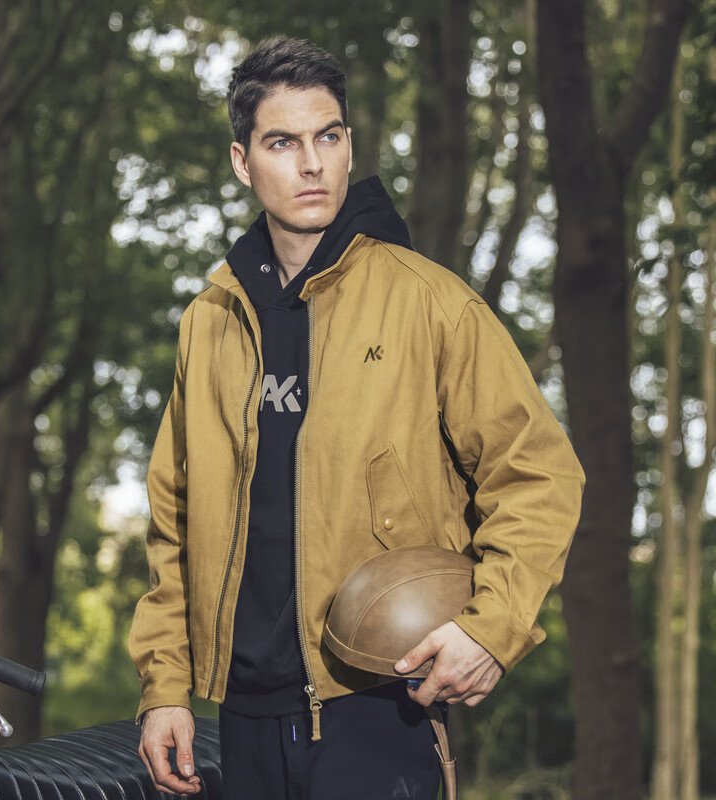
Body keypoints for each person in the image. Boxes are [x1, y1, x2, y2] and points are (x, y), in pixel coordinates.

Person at [128, 36, 585, 799]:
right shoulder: (209, 322)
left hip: (381, 705)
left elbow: (539, 473)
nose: (312, 164)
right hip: (241, 716)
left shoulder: (431, 303)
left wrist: (491, 628)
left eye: (329, 137)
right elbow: (174, 519)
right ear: (243, 162)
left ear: (349, 146)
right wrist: (165, 686)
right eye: (283, 142)